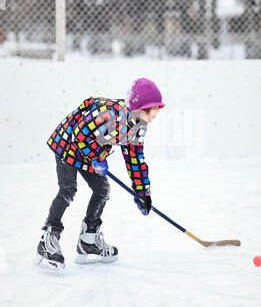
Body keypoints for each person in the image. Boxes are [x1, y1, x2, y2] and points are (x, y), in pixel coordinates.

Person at [35, 78, 165, 270]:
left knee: (102, 189)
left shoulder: (139, 126)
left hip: (89, 153)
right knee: (68, 190)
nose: (155, 113)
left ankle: (88, 240)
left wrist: (142, 192)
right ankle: (48, 238)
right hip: (67, 144)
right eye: (151, 109)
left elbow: (135, 160)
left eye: (157, 109)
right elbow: (80, 134)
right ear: (138, 107)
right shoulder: (110, 114)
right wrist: (96, 158)